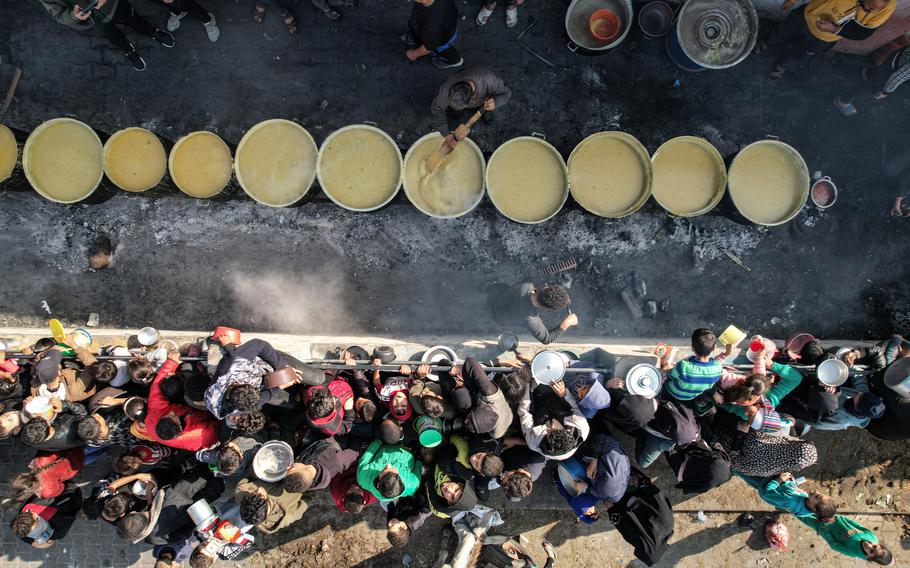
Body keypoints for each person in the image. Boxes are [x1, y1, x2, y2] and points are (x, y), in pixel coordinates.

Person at [770, 0, 896, 79]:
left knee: (802, 52)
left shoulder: (887, 7)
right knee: (782, 32)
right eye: (864, 4)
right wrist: (791, 1)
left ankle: (782, 65)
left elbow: (862, 33)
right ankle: (765, 43)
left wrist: (834, 29)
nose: (867, 9)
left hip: (826, 37)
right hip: (807, 15)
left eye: (871, 9)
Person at [37, 0, 176, 71]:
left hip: (114, 5)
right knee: (114, 37)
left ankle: (153, 32)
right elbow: (58, 15)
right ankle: (129, 50)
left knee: (136, 21)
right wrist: (73, 16)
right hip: (94, 22)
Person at [146, 352, 220, 451]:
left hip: (190, 405)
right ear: (180, 429)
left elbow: (156, 391)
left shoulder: (153, 418)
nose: (171, 412)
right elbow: (221, 422)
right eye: (173, 416)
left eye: (168, 414)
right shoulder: (200, 436)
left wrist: (171, 363)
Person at [430, 68, 511, 148]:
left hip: (485, 100)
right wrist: (446, 134)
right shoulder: (445, 90)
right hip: (467, 94)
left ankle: (486, 110)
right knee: (452, 111)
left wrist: (496, 101)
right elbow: (437, 109)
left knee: (490, 112)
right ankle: (455, 111)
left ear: (472, 100)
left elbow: (507, 93)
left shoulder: (489, 82)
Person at [518, 378, 589, 460]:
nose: (552, 424)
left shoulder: (534, 442)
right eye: (555, 428)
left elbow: (524, 412)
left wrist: (526, 385)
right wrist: (564, 394)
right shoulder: (582, 426)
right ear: (567, 431)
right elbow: (574, 408)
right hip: (554, 396)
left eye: (548, 431)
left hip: (535, 405)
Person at [445, 357, 513, 439]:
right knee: (461, 395)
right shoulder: (490, 393)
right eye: (469, 416)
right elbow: (470, 362)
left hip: (507, 417)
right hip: (490, 400)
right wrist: (459, 369)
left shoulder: (496, 434)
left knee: (461, 397)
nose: (466, 417)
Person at [492, 282, 577, 345]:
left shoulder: (527, 285)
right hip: (497, 318)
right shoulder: (530, 319)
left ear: (545, 288)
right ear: (547, 309)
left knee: (504, 287)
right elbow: (547, 339)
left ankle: (492, 285)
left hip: (498, 298)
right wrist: (566, 323)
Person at [835, 45, 910, 115]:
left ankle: (869, 73)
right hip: (896, 62)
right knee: (874, 87)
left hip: (904, 57)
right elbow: (897, 77)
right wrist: (885, 92)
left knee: (876, 75)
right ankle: (843, 101)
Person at [10, 481, 83, 549]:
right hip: (58, 485)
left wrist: (46, 540)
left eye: (39, 528)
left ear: (35, 515)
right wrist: (33, 543)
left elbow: (58, 536)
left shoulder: (58, 524)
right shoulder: (23, 514)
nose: (39, 531)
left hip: (70, 493)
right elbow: (19, 530)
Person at [798, 514, 894, 564]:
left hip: (823, 527)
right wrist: (842, 518)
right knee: (813, 505)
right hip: (834, 518)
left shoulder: (852, 552)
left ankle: (788, 505)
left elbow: (834, 545)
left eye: (871, 551)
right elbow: (858, 526)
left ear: (868, 557)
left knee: (803, 515)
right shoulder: (872, 538)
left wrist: (825, 530)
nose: (869, 545)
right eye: (875, 546)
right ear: (878, 544)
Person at [662, 328, 723, 405]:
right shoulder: (718, 368)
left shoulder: (684, 366)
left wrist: (667, 367)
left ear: (692, 348)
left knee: (666, 367)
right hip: (690, 397)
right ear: (714, 348)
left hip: (672, 391)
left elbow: (670, 376)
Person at [740, 472, 837, 519]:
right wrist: (794, 484)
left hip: (762, 480)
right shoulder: (808, 509)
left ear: (814, 508)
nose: (816, 492)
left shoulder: (790, 501)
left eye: (817, 497)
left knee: (741, 470)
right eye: (821, 494)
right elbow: (797, 492)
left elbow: (766, 493)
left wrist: (780, 479)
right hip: (780, 484)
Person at [235, 476, 309, 534]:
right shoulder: (288, 514)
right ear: (267, 502)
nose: (260, 489)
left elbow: (248, 478)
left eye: (253, 492)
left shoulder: (241, 493)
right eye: (261, 495)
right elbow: (307, 501)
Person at [357, 439, 423, 502]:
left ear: (378, 482)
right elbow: (418, 465)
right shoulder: (412, 486)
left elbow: (370, 451)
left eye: (384, 470)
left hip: (387, 442)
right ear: (401, 479)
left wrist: (380, 438)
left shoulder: (363, 476)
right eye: (393, 469)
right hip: (409, 447)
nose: (388, 465)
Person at [284, 438, 360, 493]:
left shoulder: (306, 482)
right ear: (305, 468)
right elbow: (354, 450)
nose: (288, 467)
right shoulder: (336, 461)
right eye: (290, 469)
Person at [404, 0, 463, 70]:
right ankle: (415, 38)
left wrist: (414, 54)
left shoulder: (432, 27)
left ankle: (454, 61)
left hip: (440, 40)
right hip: (439, 28)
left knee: (445, 52)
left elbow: (428, 48)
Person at [9, 448, 85, 502]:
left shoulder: (47, 492)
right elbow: (55, 452)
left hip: (74, 467)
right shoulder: (37, 462)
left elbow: (61, 487)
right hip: (72, 453)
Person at [577, 434, 630, 504]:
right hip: (598, 441)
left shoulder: (625, 477)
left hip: (612, 444)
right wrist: (594, 459)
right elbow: (601, 439)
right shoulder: (605, 492)